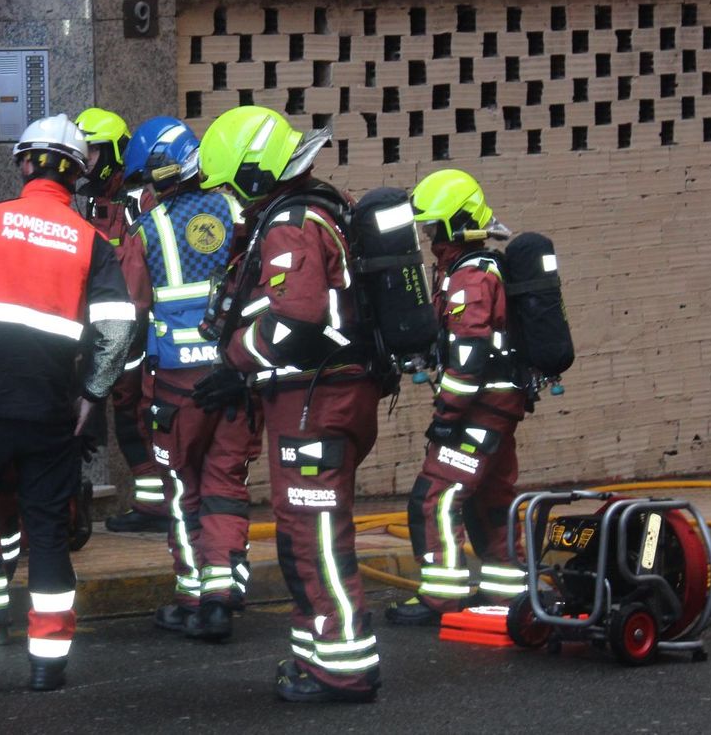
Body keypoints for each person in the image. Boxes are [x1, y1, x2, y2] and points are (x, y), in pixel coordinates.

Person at [0, 114, 137, 693]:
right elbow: (118, 329)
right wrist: (93, 394)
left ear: (23, 163)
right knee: (46, 530)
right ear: (79, 173)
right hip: (51, 413)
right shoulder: (92, 241)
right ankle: (48, 663)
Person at [191, 107, 382, 704]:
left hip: (314, 405)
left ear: (254, 174)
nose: (231, 200)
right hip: (326, 398)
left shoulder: (289, 223)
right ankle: (316, 654)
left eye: (231, 186)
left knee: (313, 536)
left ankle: (344, 668)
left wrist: (235, 367)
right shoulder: (325, 207)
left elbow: (294, 319)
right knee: (308, 532)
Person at [120, 116, 255, 642]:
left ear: (159, 173)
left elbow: (130, 316)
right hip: (236, 377)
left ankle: (193, 595)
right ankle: (221, 596)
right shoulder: (242, 213)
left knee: (182, 491)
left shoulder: (146, 230)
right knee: (225, 485)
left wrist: (122, 390)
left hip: (176, 387)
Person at [386, 169, 527, 625]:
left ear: (457, 224)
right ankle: (511, 594)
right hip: (498, 405)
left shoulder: (469, 277)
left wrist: (448, 413)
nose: (428, 236)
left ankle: (441, 598)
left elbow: (468, 356)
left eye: (434, 226)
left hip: (478, 409)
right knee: (491, 497)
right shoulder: (475, 270)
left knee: (437, 497)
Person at [75, 108, 166, 533]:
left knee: (139, 415)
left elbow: (141, 276)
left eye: (90, 152)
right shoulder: (96, 203)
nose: (82, 161)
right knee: (126, 415)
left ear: (112, 152)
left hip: (142, 333)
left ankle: (160, 505)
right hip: (109, 332)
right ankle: (153, 504)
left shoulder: (141, 201)